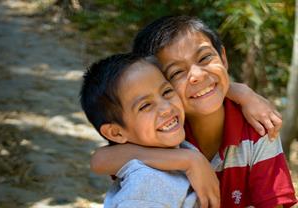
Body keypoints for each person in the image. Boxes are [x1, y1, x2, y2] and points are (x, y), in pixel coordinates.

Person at [90, 15, 297, 208]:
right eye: (177, 72)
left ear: (223, 58)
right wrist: (190, 160)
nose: (196, 75)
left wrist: (240, 91)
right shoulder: (166, 129)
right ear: (157, 82)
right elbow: (101, 159)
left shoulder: (257, 125)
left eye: (205, 58)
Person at [81, 53, 200, 207]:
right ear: (116, 133)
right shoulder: (148, 183)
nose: (166, 108)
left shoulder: (177, 148)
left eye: (167, 92)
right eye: (145, 106)